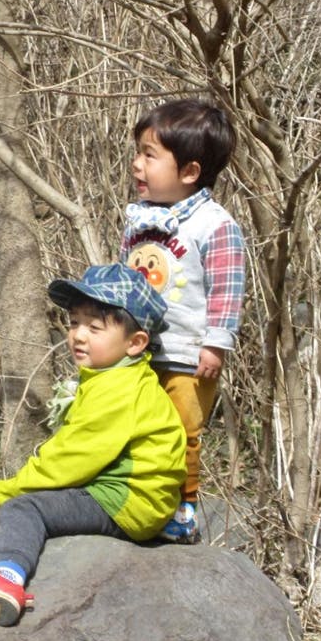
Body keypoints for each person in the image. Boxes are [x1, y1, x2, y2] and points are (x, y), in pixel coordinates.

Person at [0, 263, 185, 627]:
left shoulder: (118, 390)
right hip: (132, 495)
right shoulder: (118, 378)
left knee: (25, 508)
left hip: (126, 502)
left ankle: (5, 580)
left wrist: (8, 492)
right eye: (74, 323)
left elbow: (71, 458)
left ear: (135, 343)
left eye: (94, 327)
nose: (79, 335)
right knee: (36, 499)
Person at [120, 98, 246, 544]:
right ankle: (135, 499)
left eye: (150, 155)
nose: (137, 164)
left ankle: (181, 508)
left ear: (190, 171)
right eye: (138, 152)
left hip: (188, 357)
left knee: (181, 433)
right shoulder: (140, 220)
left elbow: (228, 287)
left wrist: (215, 344)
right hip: (137, 350)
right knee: (136, 428)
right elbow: (125, 278)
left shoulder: (214, 225)